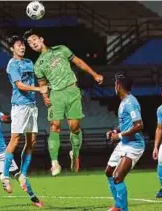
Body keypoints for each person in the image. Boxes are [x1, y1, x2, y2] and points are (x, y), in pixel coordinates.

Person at [23, 29, 104, 176]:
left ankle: (75, 153)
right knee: (55, 125)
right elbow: (42, 84)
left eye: (34, 39)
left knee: (74, 127)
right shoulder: (38, 65)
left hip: (72, 91)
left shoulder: (61, 49)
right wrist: (45, 97)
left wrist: (94, 74)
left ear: (41, 39)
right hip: (56, 95)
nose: (32, 43)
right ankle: (54, 163)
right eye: (29, 43)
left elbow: (78, 61)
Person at [2, 35, 48, 194]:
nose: (22, 47)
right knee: (15, 139)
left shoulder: (29, 62)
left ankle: (23, 174)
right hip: (20, 106)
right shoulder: (12, 65)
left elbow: (40, 76)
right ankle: (5, 175)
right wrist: (38, 89)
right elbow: (20, 85)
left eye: (23, 45)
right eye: (19, 45)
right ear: (12, 48)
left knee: (32, 141)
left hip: (31, 106)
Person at [105, 72, 145, 211]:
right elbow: (125, 124)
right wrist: (115, 131)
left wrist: (120, 136)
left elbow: (139, 125)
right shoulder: (123, 102)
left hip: (134, 145)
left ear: (118, 85)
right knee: (109, 172)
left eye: (115, 83)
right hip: (125, 143)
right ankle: (117, 206)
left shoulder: (130, 102)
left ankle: (124, 209)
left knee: (117, 177)